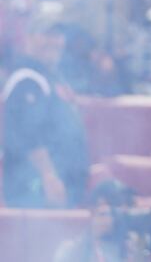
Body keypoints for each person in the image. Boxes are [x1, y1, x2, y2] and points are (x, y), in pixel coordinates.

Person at [2, 13, 89, 209]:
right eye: (47, 35)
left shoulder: (52, 78)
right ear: (29, 38)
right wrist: (48, 175)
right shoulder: (27, 79)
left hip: (59, 187)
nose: (54, 41)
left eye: (58, 36)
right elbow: (29, 134)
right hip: (33, 189)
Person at [53, 179, 151, 262]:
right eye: (101, 209)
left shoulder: (144, 239)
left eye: (123, 210)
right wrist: (90, 238)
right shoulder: (76, 246)